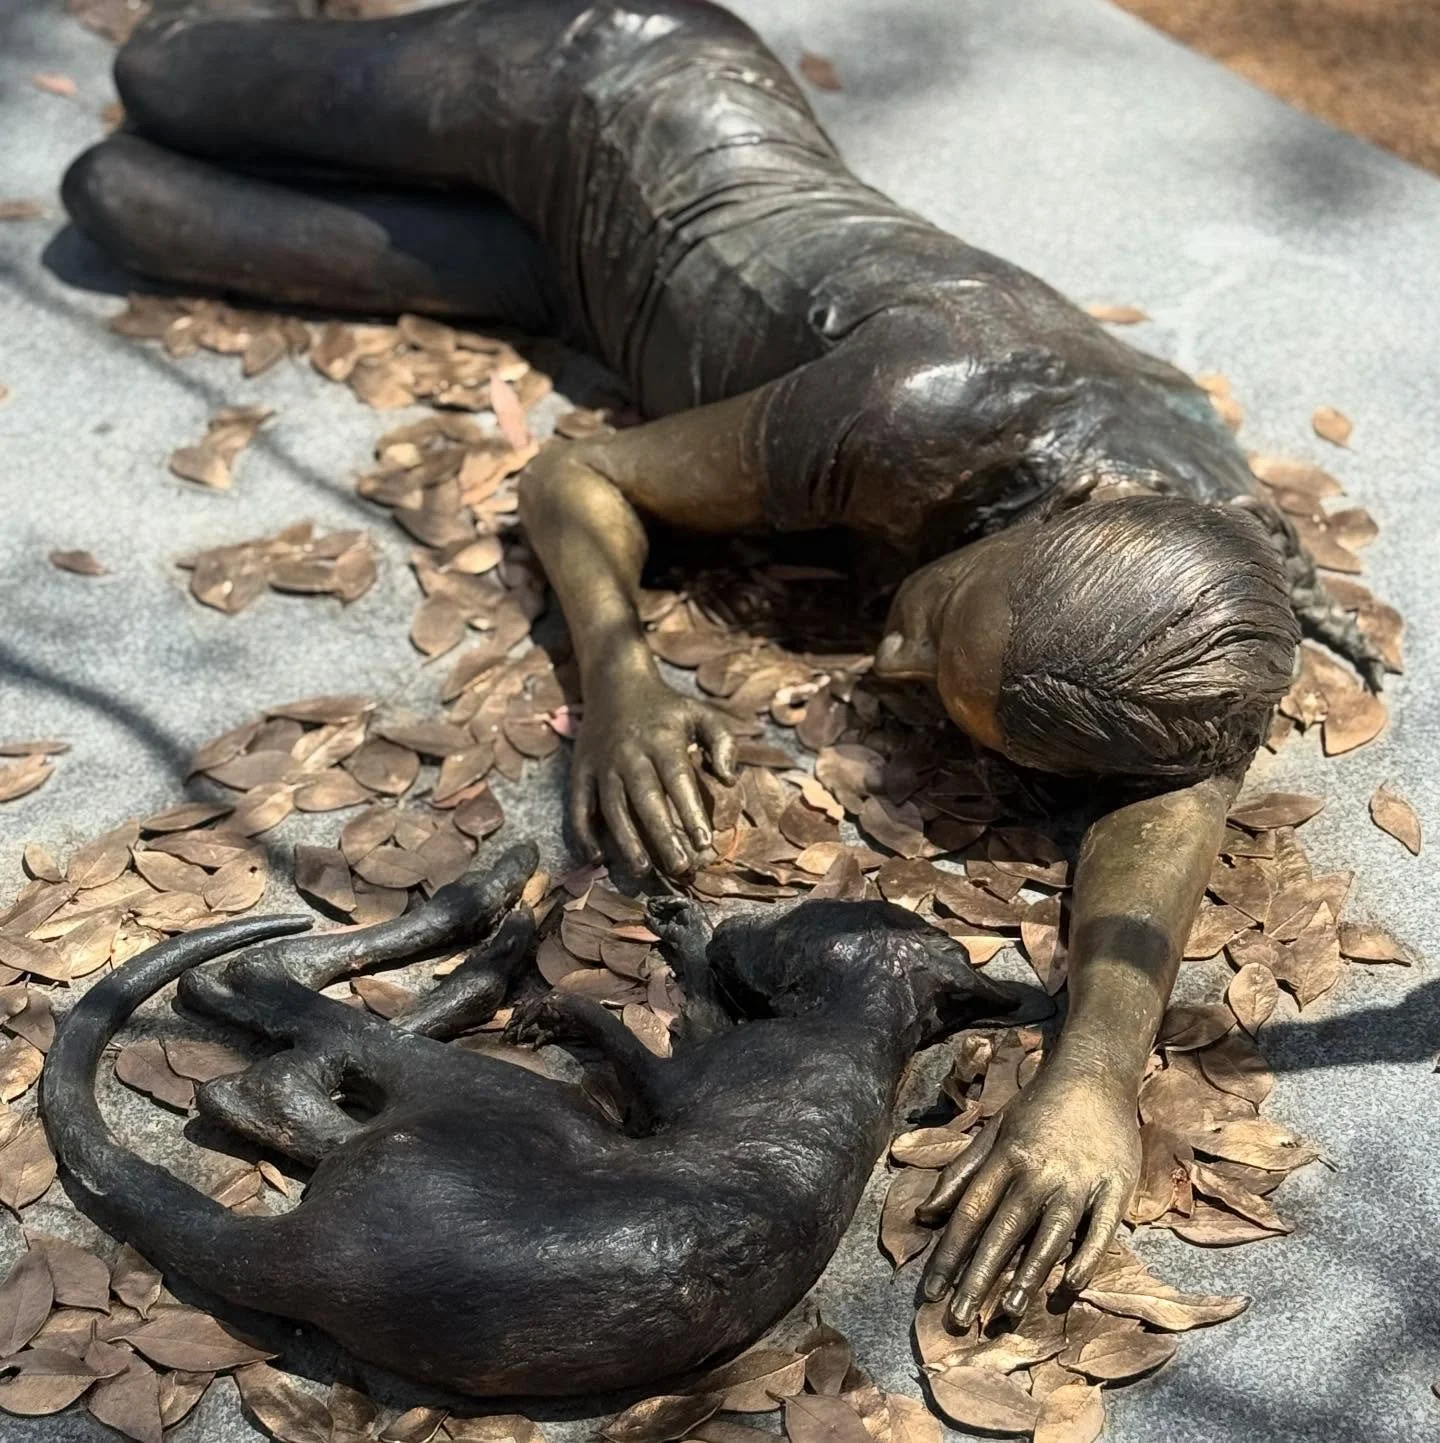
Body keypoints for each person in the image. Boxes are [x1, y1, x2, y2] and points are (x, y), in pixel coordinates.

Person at [62, 0, 1381, 1333]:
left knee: (117, 197)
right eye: (938, 617)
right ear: (1030, 527)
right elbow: (578, 473)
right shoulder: (922, 410)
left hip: (567, 286)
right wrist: (624, 681)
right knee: (160, 73)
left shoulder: (1199, 587)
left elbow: (1177, 791)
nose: (887, 653)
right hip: (616, 98)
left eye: (937, 693)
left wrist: (1095, 1074)